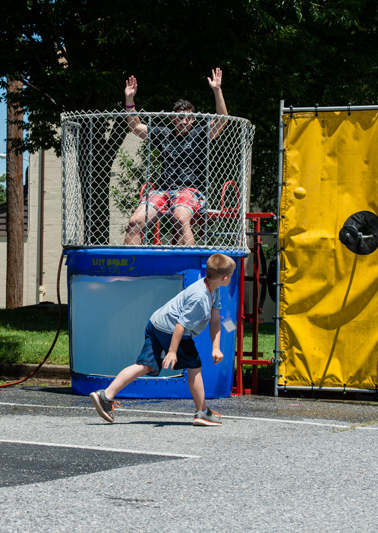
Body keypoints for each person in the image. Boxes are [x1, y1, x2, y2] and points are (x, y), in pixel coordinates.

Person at [90, 253, 236, 426]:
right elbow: (181, 325)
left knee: (145, 365)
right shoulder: (200, 297)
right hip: (171, 330)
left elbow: (215, 320)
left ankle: (105, 395)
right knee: (195, 366)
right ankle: (202, 412)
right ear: (224, 278)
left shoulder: (213, 289)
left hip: (156, 323)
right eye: (231, 275)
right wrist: (172, 351)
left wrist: (216, 347)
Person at [123, 68, 228, 246]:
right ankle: (131, 263)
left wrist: (217, 90)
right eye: (180, 118)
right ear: (173, 119)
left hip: (190, 190)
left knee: (180, 218)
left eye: (188, 118)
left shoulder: (199, 134)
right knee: (134, 222)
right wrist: (129, 99)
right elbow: (135, 127)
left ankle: (188, 262)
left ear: (193, 119)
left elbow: (222, 120)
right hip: (163, 190)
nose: (184, 121)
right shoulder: (164, 134)